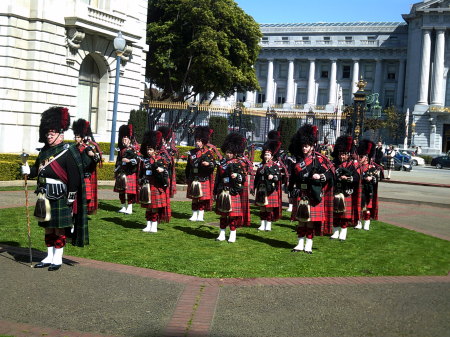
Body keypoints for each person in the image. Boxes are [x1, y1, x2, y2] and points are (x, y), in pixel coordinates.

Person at [20, 106, 88, 271]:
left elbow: (73, 177)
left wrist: (71, 196)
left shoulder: (68, 151)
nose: (48, 136)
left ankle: (57, 257)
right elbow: (38, 169)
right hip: (44, 194)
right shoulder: (44, 151)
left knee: (59, 228)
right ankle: (49, 255)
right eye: (47, 134)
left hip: (61, 195)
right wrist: (29, 170)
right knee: (48, 227)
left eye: (52, 134)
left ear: (60, 134)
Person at [288, 124, 334, 254]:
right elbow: (293, 177)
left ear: (312, 146)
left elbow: (330, 173)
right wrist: (292, 189)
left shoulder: (319, 159)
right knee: (301, 221)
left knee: (309, 222)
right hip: (300, 193)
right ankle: (299, 244)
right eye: (303, 145)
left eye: (306, 146)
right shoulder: (297, 159)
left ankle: (308, 244)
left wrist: (320, 176)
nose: (304, 148)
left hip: (313, 194)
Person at [214, 133, 249, 242]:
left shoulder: (239, 163)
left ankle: (233, 234)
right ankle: (222, 234)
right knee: (223, 215)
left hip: (233, 191)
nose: (228, 154)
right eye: (227, 152)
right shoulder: (222, 162)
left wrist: (237, 176)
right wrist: (215, 191)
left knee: (233, 215)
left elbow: (243, 178)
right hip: (223, 190)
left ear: (234, 153)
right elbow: (218, 178)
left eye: (230, 152)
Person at [139, 131, 171, 233]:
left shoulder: (161, 159)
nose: (149, 151)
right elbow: (141, 173)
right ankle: (148, 225)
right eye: (148, 149)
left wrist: (162, 170)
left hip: (157, 186)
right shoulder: (145, 160)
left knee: (154, 208)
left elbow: (167, 171)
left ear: (155, 149)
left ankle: (154, 226)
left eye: (151, 149)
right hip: (147, 185)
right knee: (148, 207)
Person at [330, 136, 360, 241]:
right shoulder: (334, 164)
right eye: (340, 154)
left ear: (348, 154)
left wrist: (348, 178)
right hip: (336, 191)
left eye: (344, 154)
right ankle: (335, 232)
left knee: (344, 215)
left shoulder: (352, 165)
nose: (342, 156)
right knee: (335, 213)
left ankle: (343, 232)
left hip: (346, 192)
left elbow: (356, 177)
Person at [185, 126, 216, 221]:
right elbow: (188, 167)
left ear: (204, 141)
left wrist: (208, 164)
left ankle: (200, 215)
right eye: (196, 140)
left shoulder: (208, 153)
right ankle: (194, 214)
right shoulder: (192, 152)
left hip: (203, 177)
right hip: (194, 177)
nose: (197, 142)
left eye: (199, 141)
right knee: (194, 197)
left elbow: (213, 164)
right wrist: (187, 177)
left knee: (202, 198)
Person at [72, 118, 102, 214]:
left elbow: (96, 160)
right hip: (75, 176)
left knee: (85, 197)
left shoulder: (87, 148)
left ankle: (82, 213)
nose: (76, 139)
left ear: (82, 138)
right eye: (75, 137)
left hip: (85, 175)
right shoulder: (73, 148)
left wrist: (93, 155)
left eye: (78, 137)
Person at [253, 140, 283, 232]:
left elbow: (279, 177)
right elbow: (257, 178)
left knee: (269, 208)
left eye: (268, 155)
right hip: (261, 188)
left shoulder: (275, 166)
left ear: (272, 156)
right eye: (265, 155)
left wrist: (273, 176)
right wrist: (254, 188)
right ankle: (262, 224)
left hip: (271, 189)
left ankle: (268, 225)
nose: (266, 156)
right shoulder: (261, 166)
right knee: (262, 207)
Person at [113, 124, 140, 214]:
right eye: (123, 138)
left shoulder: (134, 148)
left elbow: (137, 160)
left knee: (130, 192)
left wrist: (129, 161)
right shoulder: (121, 149)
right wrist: (117, 169)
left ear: (129, 139)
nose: (124, 140)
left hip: (130, 172)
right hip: (122, 172)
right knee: (121, 190)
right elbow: (118, 161)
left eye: (126, 139)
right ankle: (123, 206)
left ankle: (130, 207)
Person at [355, 139, 381, 231]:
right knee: (358, 207)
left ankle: (366, 222)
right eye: (359, 156)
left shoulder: (372, 168)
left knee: (367, 208)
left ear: (366, 157)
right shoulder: (357, 167)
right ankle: (358, 222)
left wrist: (371, 178)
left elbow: (376, 179)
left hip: (367, 191)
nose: (359, 158)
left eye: (361, 157)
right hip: (359, 189)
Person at [157, 126, 178, 199]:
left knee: (165, 194)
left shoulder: (169, 149)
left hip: (166, 173)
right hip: (156, 172)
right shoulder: (157, 147)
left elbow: (168, 162)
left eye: (162, 138)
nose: (161, 139)